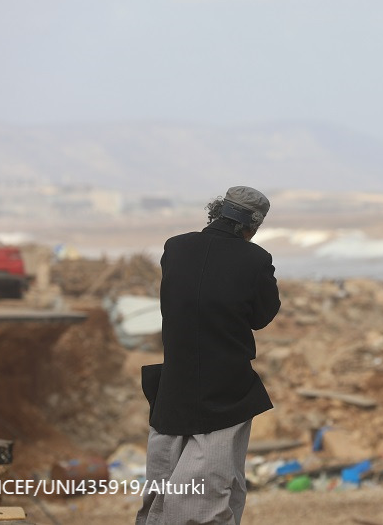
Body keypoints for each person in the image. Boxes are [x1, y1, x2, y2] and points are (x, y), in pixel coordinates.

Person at [136, 186, 280, 525]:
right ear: (252, 225)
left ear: (216, 212)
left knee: (163, 483)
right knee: (209, 493)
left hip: (173, 386)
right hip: (225, 392)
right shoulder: (256, 260)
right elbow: (261, 316)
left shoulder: (175, 247)